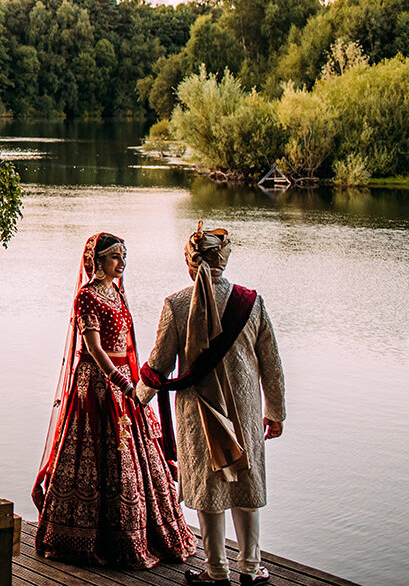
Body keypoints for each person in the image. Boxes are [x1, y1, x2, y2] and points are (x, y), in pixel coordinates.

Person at [33, 232, 197, 568]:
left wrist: (135, 381)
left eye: (123, 257)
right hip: (97, 383)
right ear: (97, 261)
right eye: (115, 257)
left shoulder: (117, 294)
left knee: (133, 453)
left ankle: (144, 531)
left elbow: (128, 343)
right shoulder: (87, 297)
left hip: (123, 381)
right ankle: (90, 536)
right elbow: (93, 348)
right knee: (102, 454)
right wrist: (121, 381)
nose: (121, 264)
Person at [134, 223, 286, 586]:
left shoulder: (176, 303)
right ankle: (251, 568)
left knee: (208, 488)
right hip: (244, 409)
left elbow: (159, 364)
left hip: (198, 411)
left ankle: (216, 570)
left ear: (190, 263)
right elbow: (272, 364)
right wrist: (275, 412)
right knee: (244, 483)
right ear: (224, 261)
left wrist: (138, 399)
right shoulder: (252, 302)